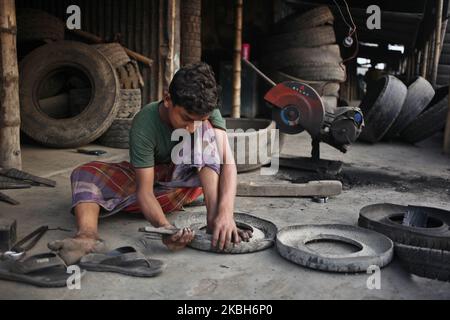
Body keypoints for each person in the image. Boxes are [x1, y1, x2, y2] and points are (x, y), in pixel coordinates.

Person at [49, 63, 251, 265]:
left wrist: (225, 215)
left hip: (188, 184)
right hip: (157, 188)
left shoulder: (205, 113)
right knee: (86, 174)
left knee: (207, 131)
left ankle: (213, 221)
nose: (191, 128)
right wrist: (164, 228)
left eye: (197, 120)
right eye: (186, 119)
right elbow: (144, 192)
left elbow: (227, 164)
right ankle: (86, 237)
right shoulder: (144, 123)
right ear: (167, 99)